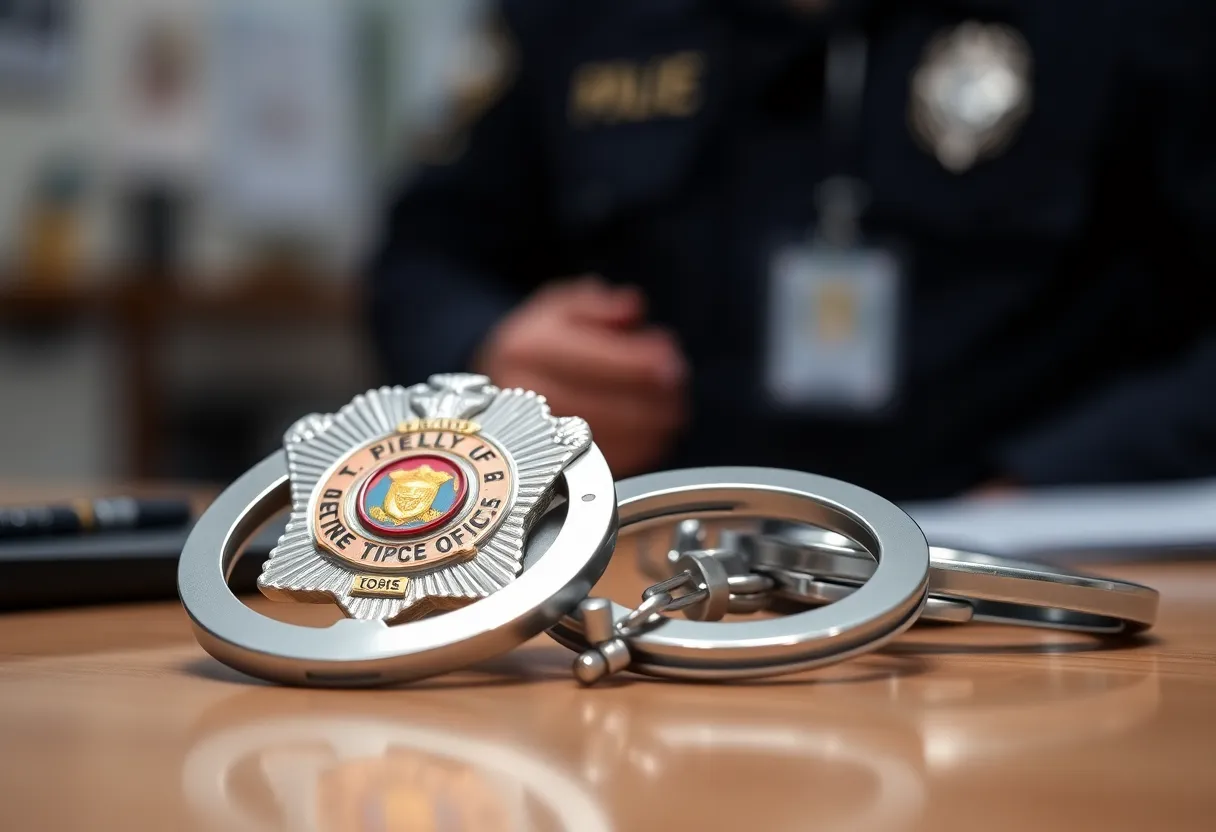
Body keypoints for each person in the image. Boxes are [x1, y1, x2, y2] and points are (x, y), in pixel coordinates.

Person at [365, 0, 1216, 502]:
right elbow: (422, 257)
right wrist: (489, 353)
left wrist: (1057, 487)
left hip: (1025, 593)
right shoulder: (581, 18)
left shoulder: (1141, 22)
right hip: (657, 577)